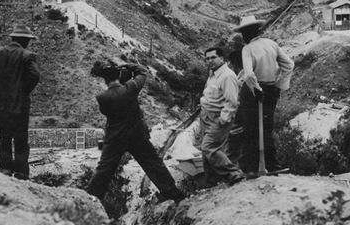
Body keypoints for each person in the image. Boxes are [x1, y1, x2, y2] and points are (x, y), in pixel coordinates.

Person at [87, 60, 183, 205]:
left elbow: (106, 112)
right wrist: (126, 65)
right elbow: (142, 71)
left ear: (105, 80)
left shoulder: (102, 98)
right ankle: (172, 193)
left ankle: (91, 198)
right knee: (153, 163)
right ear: (119, 76)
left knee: (104, 168)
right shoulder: (130, 88)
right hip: (136, 135)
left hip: (115, 138)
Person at [0, 24, 40, 179]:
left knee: (4, 137)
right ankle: (20, 172)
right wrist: (24, 91)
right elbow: (35, 75)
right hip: (20, 104)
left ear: (12, 38)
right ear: (24, 41)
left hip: (2, 103)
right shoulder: (27, 55)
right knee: (20, 138)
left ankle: (5, 169)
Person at [235, 14, 295, 175]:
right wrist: (278, 86)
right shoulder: (271, 44)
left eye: (243, 33)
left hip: (252, 92)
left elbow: (248, 75)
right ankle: (273, 165)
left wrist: (256, 90)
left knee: (249, 129)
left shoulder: (247, 49)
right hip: (270, 91)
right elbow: (289, 65)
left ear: (246, 34)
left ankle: (251, 168)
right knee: (267, 129)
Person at [197, 44, 244, 187]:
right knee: (206, 152)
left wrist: (224, 119)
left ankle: (233, 173)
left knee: (209, 147)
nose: (210, 61)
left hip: (218, 117)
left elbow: (232, 101)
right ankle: (211, 182)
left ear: (222, 58)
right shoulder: (212, 74)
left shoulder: (227, 76)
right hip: (205, 115)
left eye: (213, 57)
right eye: (207, 59)